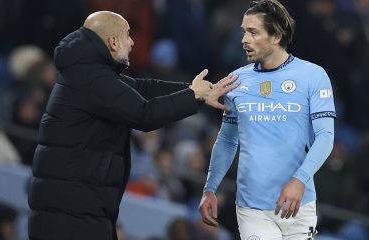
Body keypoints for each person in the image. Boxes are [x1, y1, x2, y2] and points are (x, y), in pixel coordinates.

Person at [27, 11, 239, 240]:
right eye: (128, 35)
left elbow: (142, 89)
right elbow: (144, 115)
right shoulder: (91, 78)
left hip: (76, 208)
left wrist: (198, 92)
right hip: (71, 214)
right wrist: (191, 95)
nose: (132, 42)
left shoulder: (90, 72)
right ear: (113, 42)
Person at [199, 1, 336, 239]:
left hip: (299, 204)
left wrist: (299, 180)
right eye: (244, 31)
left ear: (276, 36)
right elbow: (227, 141)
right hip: (252, 207)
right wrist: (210, 188)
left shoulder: (313, 76)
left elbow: (325, 136)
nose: (244, 39)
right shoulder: (235, 81)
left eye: (253, 32)